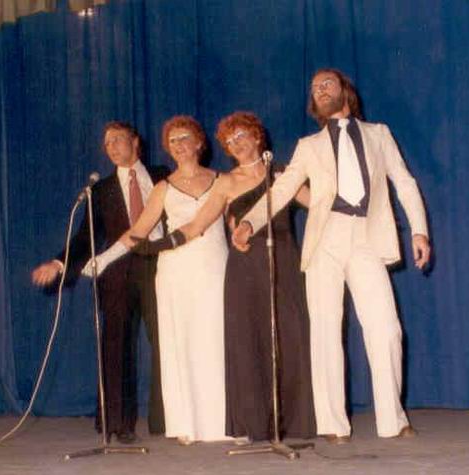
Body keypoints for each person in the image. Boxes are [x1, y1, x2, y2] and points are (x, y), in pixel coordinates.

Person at [233, 69, 431, 444]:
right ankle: (332, 424)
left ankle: (393, 420)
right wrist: (249, 222)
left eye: (327, 84)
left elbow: (404, 182)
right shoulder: (309, 146)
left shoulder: (379, 134)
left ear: (345, 91)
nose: (320, 90)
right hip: (325, 239)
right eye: (314, 88)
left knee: (386, 328)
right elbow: (283, 188)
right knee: (325, 329)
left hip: (367, 236)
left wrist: (419, 229)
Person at [136, 112, 315, 442]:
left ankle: (295, 423)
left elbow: (318, 204)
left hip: (285, 261)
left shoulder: (283, 174)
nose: (237, 144)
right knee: (249, 343)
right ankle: (255, 424)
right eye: (230, 142)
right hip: (246, 267)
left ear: (257, 137)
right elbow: (197, 225)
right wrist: (153, 246)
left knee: (291, 337)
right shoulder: (226, 182)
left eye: (241, 136)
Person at [87, 116, 230, 444]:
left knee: (216, 338)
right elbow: (137, 231)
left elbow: (232, 215)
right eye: (172, 141)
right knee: (181, 343)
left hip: (213, 265)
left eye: (184, 138)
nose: (179, 145)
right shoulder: (164, 186)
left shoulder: (221, 179)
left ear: (199, 142)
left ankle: (226, 421)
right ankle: (187, 423)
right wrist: (103, 259)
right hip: (175, 270)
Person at [31, 121, 168, 444]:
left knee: (167, 341)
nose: (112, 147)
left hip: (162, 267)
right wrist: (59, 262)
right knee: (116, 346)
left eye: (118, 140)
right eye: (107, 143)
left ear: (136, 142)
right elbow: (85, 237)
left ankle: (168, 418)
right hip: (118, 273)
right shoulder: (100, 190)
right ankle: (117, 423)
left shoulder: (163, 176)